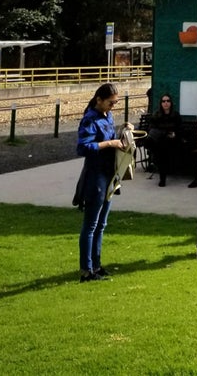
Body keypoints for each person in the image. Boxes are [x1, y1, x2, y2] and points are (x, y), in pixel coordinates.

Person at [76, 82, 126, 282]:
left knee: (102, 224)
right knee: (91, 225)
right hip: (95, 175)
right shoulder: (89, 119)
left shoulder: (108, 115)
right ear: (99, 100)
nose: (113, 106)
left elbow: (112, 137)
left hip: (109, 173)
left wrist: (123, 130)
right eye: (111, 103)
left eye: (115, 103)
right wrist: (110, 143)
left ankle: (96, 265)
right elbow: (83, 148)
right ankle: (86, 270)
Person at [148, 92, 181, 187]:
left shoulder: (175, 115)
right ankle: (162, 178)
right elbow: (152, 129)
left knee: (163, 148)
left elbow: (179, 129)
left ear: (171, 103)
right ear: (161, 103)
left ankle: (162, 177)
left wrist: (175, 134)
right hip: (160, 141)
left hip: (173, 141)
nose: (166, 103)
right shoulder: (157, 115)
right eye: (163, 101)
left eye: (168, 101)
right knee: (161, 149)